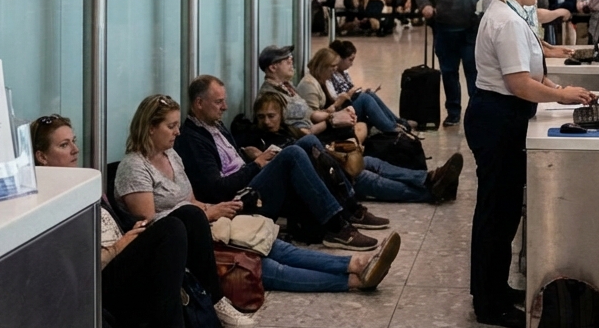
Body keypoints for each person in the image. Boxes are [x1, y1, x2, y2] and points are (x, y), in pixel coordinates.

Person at [115, 96, 402, 296]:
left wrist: (213, 209)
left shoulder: (171, 155)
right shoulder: (134, 167)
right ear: (150, 127)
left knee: (273, 245)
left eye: (178, 125)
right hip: (185, 243)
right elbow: (151, 228)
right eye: (170, 126)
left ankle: (354, 263)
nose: (177, 132)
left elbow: (191, 200)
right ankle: (352, 280)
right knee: (263, 264)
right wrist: (208, 212)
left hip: (206, 224)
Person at [467, 0, 596, 328]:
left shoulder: (510, 12)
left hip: (502, 115)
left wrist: (554, 85)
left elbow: (529, 69)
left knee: (502, 213)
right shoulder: (504, 20)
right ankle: (489, 303)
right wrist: (560, 96)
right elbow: (518, 82)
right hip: (497, 119)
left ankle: (494, 286)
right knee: (496, 214)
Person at [30, 114, 254, 328]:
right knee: (172, 229)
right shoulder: (49, 201)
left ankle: (214, 299)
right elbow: (74, 271)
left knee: (190, 215)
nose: (75, 150)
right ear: (42, 156)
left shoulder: (83, 182)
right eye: (64, 145)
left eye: (74, 141)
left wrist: (132, 237)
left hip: (121, 257)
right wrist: (120, 247)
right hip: (98, 281)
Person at [175, 76, 386, 250]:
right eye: (218, 102)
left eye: (224, 100)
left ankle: (349, 208)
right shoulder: (192, 139)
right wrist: (257, 164)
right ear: (199, 104)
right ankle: (335, 225)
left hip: (247, 184)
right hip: (238, 200)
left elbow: (232, 160)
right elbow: (216, 190)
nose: (225, 107)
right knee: (293, 153)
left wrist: (255, 158)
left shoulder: (215, 125)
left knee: (309, 142)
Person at [241, 93, 463, 204]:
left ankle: (429, 177)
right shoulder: (256, 136)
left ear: (281, 115)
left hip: (323, 166)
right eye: (262, 117)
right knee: (365, 178)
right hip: (312, 179)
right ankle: (429, 192)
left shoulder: (289, 131)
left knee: (373, 163)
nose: (267, 122)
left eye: (271, 116)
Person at [414, 0, 490, 126]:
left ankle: (476, 111)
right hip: (445, 28)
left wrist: (485, 11)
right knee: (449, 72)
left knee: (473, 71)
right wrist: (426, 5)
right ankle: (454, 112)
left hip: (471, 28)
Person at [257, 45, 364, 143]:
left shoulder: (287, 86)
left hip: (315, 129)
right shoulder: (270, 97)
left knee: (354, 121)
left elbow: (311, 114)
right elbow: (300, 131)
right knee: (350, 128)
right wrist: (331, 120)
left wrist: (335, 114)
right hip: (305, 139)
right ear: (273, 68)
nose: (291, 64)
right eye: (287, 61)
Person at [301, 46, 408, 135]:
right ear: (322, 66)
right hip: (328, 124)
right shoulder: (309, 85)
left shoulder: (319, 80)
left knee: (367, 95)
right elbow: (314, 119)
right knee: (365, 99)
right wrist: (338, 104)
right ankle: (392, 129)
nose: (334, 71)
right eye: (332, 67)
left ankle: (395, 124)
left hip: (331, 116)